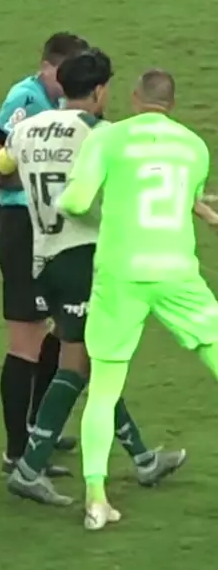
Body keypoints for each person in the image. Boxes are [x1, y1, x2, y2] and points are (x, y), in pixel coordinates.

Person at [0, 51, 186, 507]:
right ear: (99, 91)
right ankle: (29, 469)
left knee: (96, 361)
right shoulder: (103, 134)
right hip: (85, 259)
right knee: (77, 365)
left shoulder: (26, 129)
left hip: (44, 257)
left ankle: (143, 458)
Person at [56, 68, 218, 529]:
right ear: (172, 103)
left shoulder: (108, 138)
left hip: (120, 274)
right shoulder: (194, 146)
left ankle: (95, 498)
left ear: (133, 98)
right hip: (176, 273)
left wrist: (92, 207)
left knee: (104, 390)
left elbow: (76, 200)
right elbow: (185, 196)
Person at [0, 33, 88, 475]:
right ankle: (16, 453)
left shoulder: (70, 104)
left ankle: (39, 429)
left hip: (54, 230)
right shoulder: (25, 100)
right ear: (46, 67)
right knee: (26, 339)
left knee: (61, 329)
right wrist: (45, 173)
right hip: (22, 225)